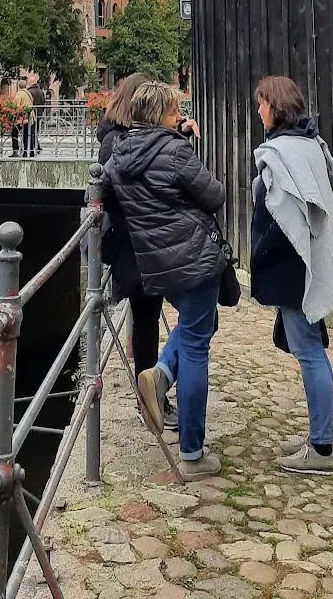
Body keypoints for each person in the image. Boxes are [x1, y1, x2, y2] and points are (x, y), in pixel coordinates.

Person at [104, 80, 227, 480]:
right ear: (160, 116)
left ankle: (160, 376)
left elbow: (102, 195)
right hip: (194, 258)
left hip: (156, 266)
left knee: (198, 326)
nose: (179, 117)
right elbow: (214, 195)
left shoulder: (118, 157)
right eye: (174, 112)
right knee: (196, 345)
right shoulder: (175, 151)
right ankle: (192, 453)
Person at [250, 75, 333, 475]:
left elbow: (286, 216)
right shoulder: (311, 146)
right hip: (301, 262)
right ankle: (319, 436)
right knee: (310, 349)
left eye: (261, 103)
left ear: (274, 107)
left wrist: (261, 253)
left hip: (294, 267)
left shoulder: (281, 153)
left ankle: (322, 448)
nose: (259, 110)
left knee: (310, 352)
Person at [98, 74, 171, 425]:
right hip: (134, 241)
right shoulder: (117, 141)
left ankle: (153, 396)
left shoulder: (117, 136)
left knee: (147, 317)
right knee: (145, 317)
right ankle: (150, 403)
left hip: (139, 239)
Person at [26, 71, 47, 157]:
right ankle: (36, 148)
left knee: (30, 132)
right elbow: (43, 102)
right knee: (35, 131)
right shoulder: (41, 91)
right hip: (39, 114)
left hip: (32, 114)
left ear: (30, 83)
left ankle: (33, 149)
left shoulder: (29, 92)